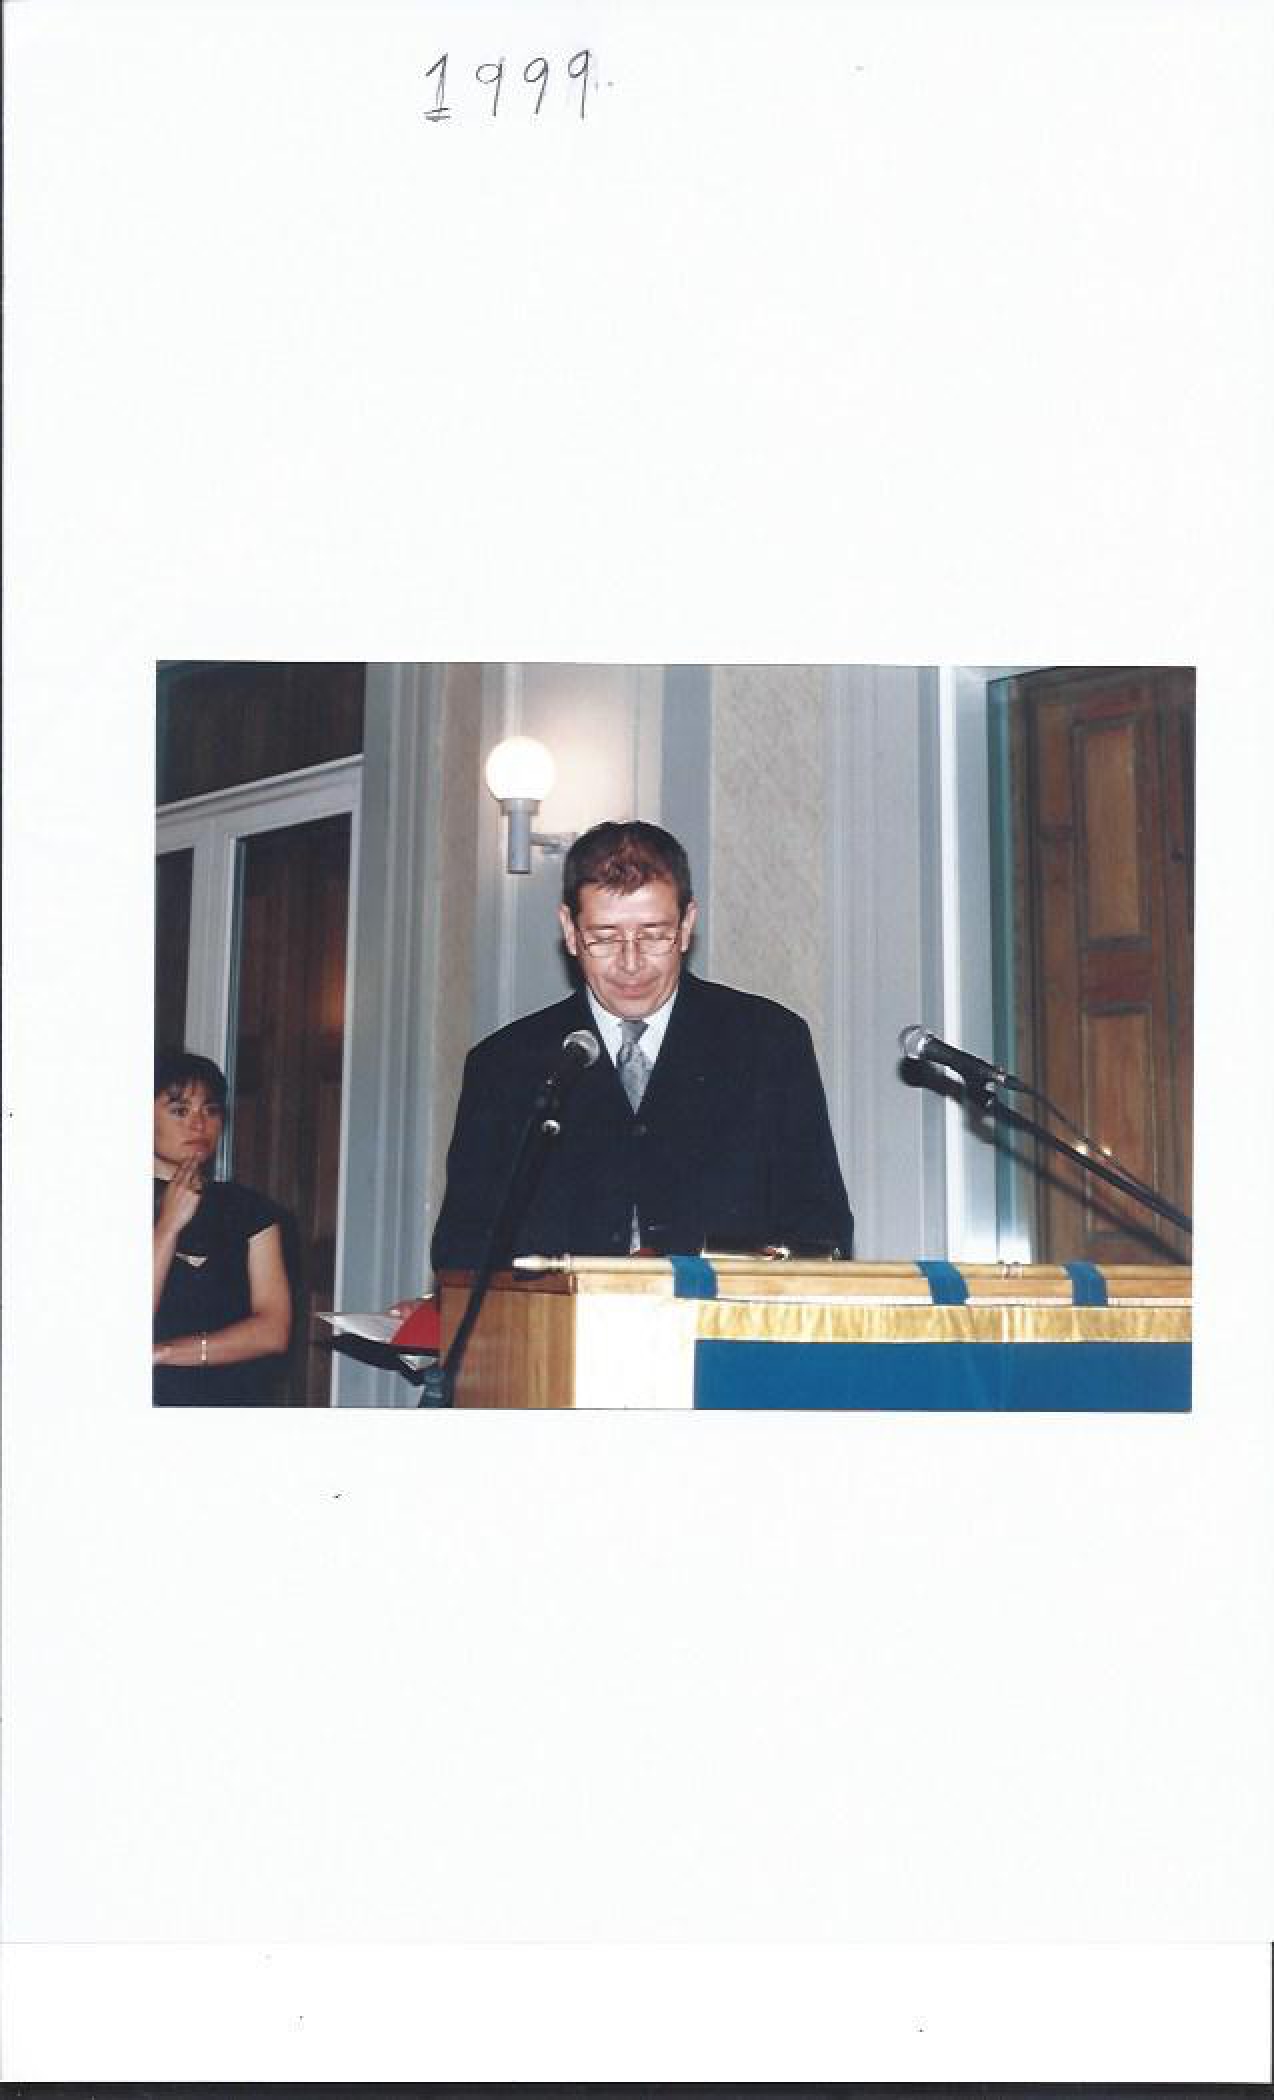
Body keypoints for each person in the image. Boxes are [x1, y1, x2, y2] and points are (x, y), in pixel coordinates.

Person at [431, 820, 852, 1271]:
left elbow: (821, 1234)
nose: (631, 964)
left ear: (687, 926)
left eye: (653, 935)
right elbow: (462, 1252)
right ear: (570, 931)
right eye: (605, 937)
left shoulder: (769, 1044)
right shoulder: (503, 1066)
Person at [152, 1048, 292, 1405]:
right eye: (180, 1110)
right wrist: (167, 1227)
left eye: (211, 1110)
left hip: (234, 1400)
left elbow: (273, 1331)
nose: (199, 1125)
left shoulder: (248, 1209)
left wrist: (168, 1351)